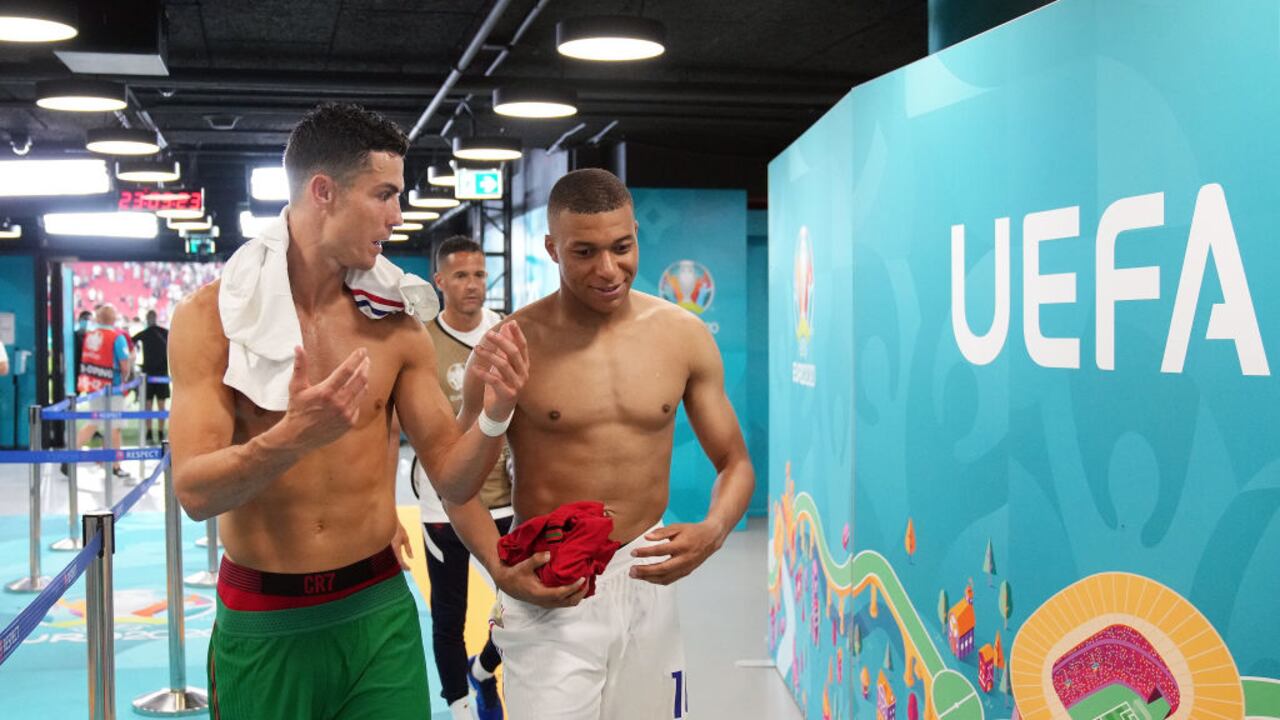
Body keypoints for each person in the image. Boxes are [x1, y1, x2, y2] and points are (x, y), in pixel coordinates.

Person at [167, 103, 530, 720]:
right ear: (324, 192)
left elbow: (453, 478)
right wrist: (292, 438)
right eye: (384, 194)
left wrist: (493, 414)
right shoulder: (214, 319)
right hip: (265, 621)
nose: (397, 217)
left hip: (377, 611)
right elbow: (195, 493)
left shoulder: (394, 324)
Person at [446, 168, 755, 720]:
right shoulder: (510, 348)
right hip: (549, 579)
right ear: (552, 249)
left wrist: (713, 530)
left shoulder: (682, 336)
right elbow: (456, 489)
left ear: (636, 232)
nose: (608, 269)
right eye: (585, 252)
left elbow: (734, 463)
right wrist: (497, 566)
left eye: (622, 247)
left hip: (646, 576)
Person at [409, 235, 513, 720]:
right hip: (441, 500)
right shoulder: (419, 340)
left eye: (479, 274)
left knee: (520, 609)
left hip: (507, 500)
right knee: (448, 615)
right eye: (461, 275)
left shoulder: (510, 332)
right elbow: (391, 426)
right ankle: (460, 704)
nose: (473, 285)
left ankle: (483, 667)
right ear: (439, 281)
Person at [76, 304, 132, 479]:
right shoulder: (117, 337)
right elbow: (124, 363)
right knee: (114, 427)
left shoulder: (90, 335)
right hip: (112, 387)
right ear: (114, 319)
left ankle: (69, 456)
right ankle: (115, 465)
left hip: (94, 385)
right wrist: (125, 378)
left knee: (94, 423)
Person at [131, 310, 170, 443]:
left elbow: (131, 342)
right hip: (152, 375)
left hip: (155, 374)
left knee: (157, 405)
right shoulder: (162, 332)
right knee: (154, 405)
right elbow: (132, 342)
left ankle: (157, 432)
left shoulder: (159, 332)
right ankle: (153, 432)